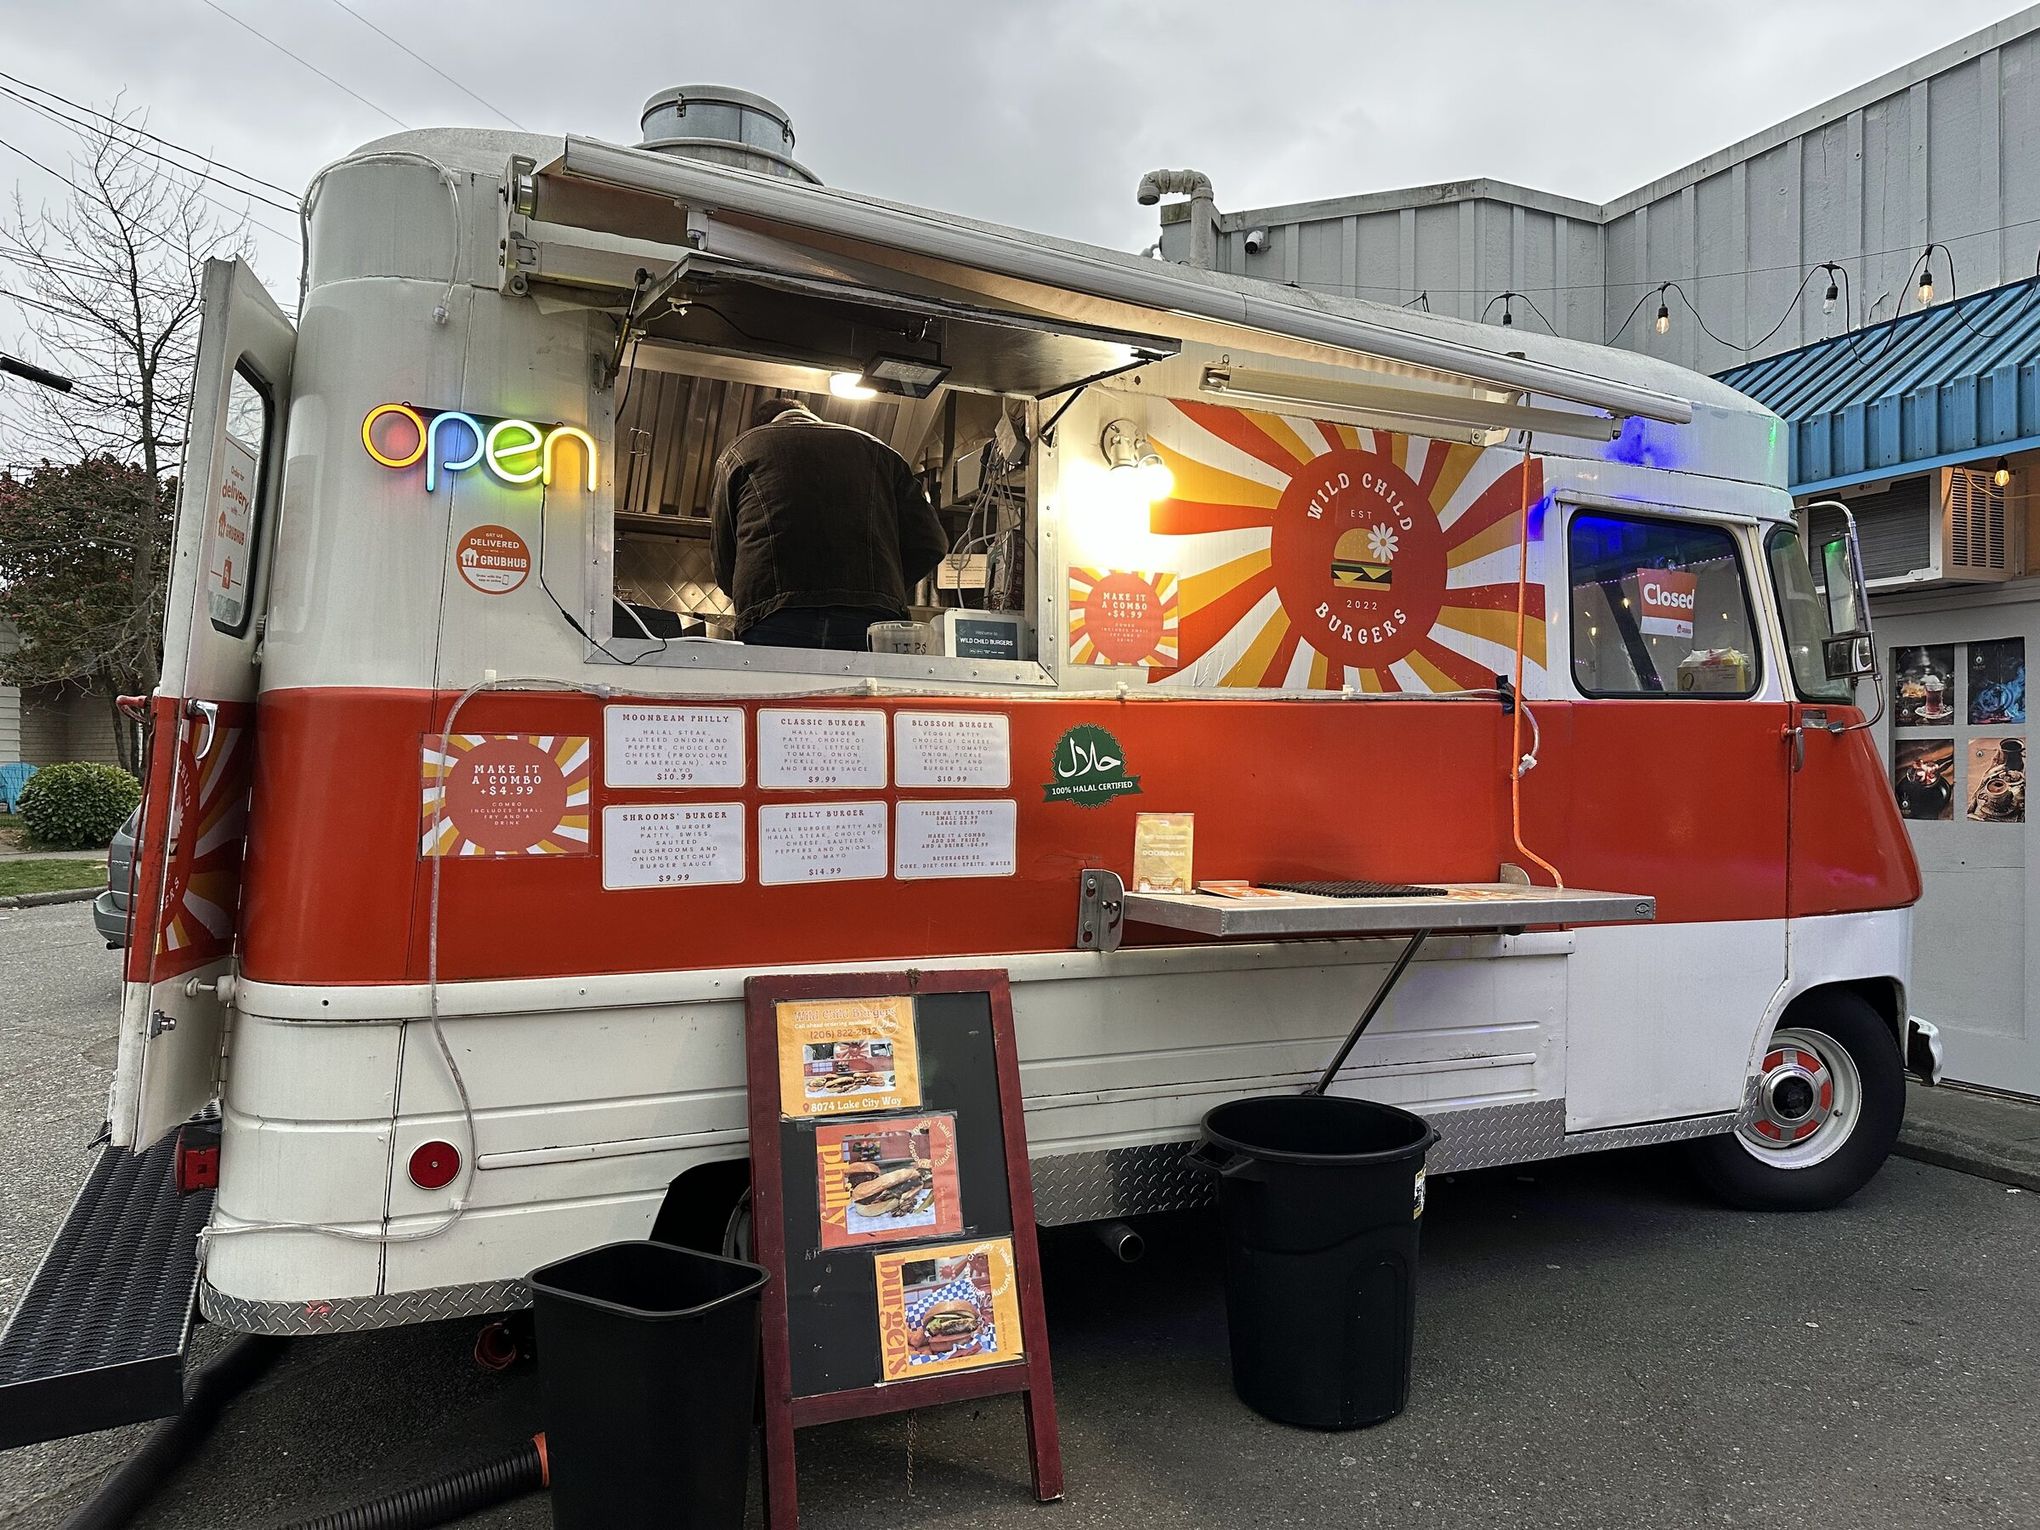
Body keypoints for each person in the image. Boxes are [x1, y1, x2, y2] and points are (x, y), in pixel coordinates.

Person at [710, 396, 948, 649]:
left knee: (781, 689)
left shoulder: (740, 451)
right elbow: (932, 542)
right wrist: (883, 588)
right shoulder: (880, 452)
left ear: (762, 426)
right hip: (870, 621)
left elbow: (724, 560)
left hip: (775, 618)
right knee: (860, 689)